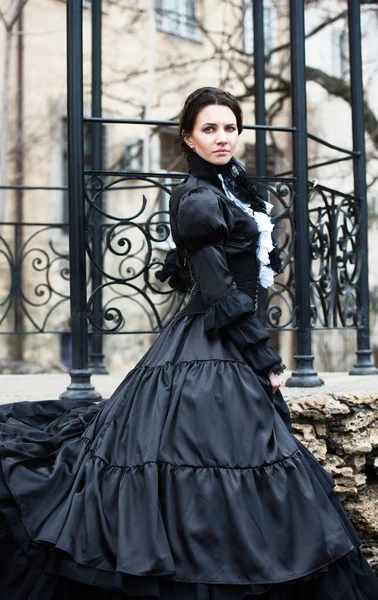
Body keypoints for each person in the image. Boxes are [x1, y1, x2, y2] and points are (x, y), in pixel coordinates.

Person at [0, 87, 377, 600]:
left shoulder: (230, 187)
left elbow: (205, 269)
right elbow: (218, 288)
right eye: (209, 129)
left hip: (221, 339)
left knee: (240, 460)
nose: (222, 138)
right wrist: (263, 354)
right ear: (188, 137)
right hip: (214, 343)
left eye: (230, 128)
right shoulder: (198, 197)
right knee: (210, 457)